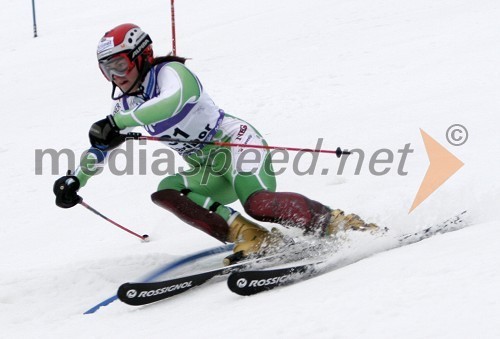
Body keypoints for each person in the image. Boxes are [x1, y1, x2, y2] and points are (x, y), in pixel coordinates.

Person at [53, 23, 378, 263]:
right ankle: (251, 237)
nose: (115, 76)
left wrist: (118, 123)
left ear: (141, 56)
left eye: (120, 65)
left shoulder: (172, 74)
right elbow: (102, 149)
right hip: (205, 168)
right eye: (106, 69)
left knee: (258, 204)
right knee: (166, 190)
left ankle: (340, 223)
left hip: (236, 146)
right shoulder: (123, 107)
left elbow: (173, 102)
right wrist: (75, 179)